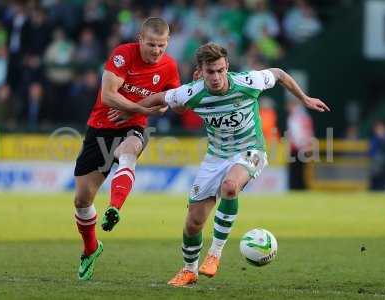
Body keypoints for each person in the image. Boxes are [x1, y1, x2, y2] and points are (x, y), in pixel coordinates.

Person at [111, 42, 330, 287]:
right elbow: (161, 97)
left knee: (229, 186)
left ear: (226, 67)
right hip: (215, 157)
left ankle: (215, 254)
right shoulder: (192, 92)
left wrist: (305, 98)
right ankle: (189, 270)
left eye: (220, 70)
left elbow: (278, 74)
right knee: (193, 222)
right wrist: (132, 110)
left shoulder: (248, 82)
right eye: (210, 72)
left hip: (251, 150)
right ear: (201, 71)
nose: (216, 77)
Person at [73, 17, 180, 281]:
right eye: (152, 45)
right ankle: (91, 248)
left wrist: (139, 111)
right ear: (140, 39)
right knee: (82, 200)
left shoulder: (169, 66)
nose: (156, 51)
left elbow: (168, 102)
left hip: (135, 127)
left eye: (162, 46)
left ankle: (115, 207)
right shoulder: (122, 54)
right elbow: (108, 95)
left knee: (128, 151)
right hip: (101, 126)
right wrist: (140, 107)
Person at [369, 121, 385, 191]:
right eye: (378, 129)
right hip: (378, 166)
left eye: (381, 128)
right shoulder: (374, 139)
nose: (380, 131)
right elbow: (371, 153)